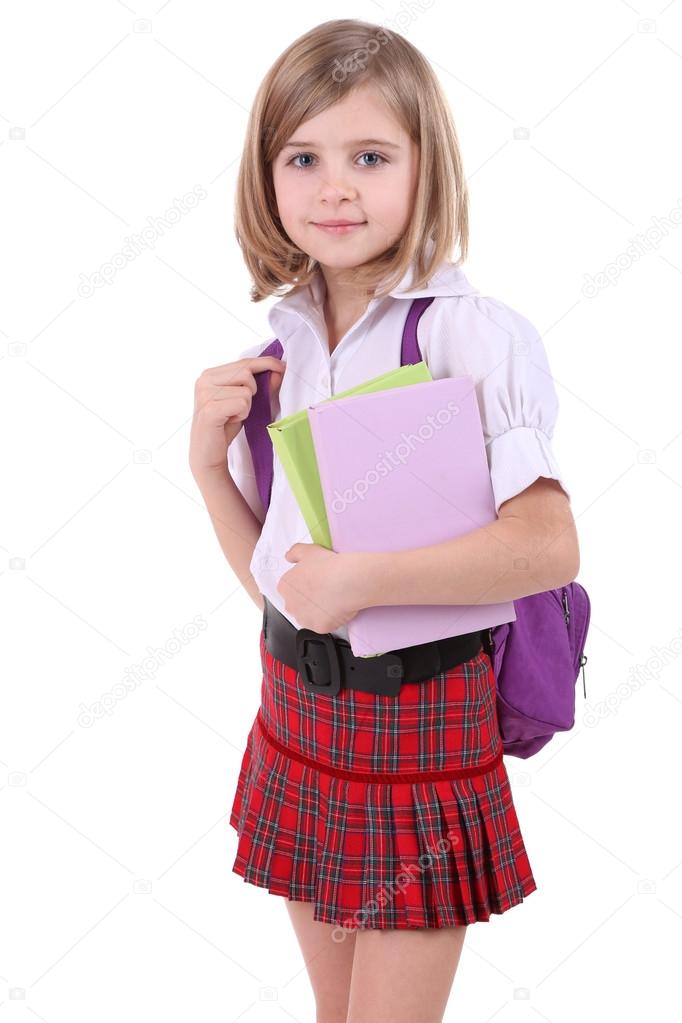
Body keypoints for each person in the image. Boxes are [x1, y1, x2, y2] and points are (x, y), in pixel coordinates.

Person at [189, 18, 579, 1023]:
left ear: (424, 169)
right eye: (303, 157)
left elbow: (547, 546)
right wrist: (205, 467)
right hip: (295, 707)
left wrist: (360, 582)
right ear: (266, 177)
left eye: (370, 156)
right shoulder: (280, 348)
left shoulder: (467, 335)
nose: (334, 189)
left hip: (417, 722)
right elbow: (286, 586)